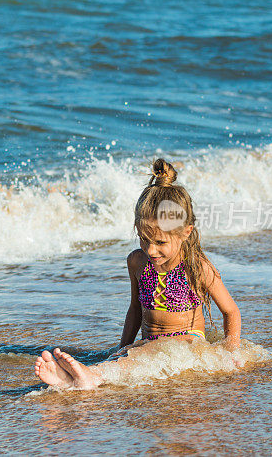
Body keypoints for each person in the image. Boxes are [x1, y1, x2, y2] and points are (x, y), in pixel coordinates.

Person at [34, 158, 241, 390]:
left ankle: (91, 375)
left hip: (187, 346)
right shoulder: (136, 262)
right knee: (128, 357)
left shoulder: (197, 267)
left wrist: (229, 355)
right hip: (149, 344)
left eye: (160, 242)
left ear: (185, 232)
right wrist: (121, 348)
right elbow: (135, 309)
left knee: (146, 353)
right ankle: (75, 379)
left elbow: (231, 311)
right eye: (144, 239)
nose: (151, 250)